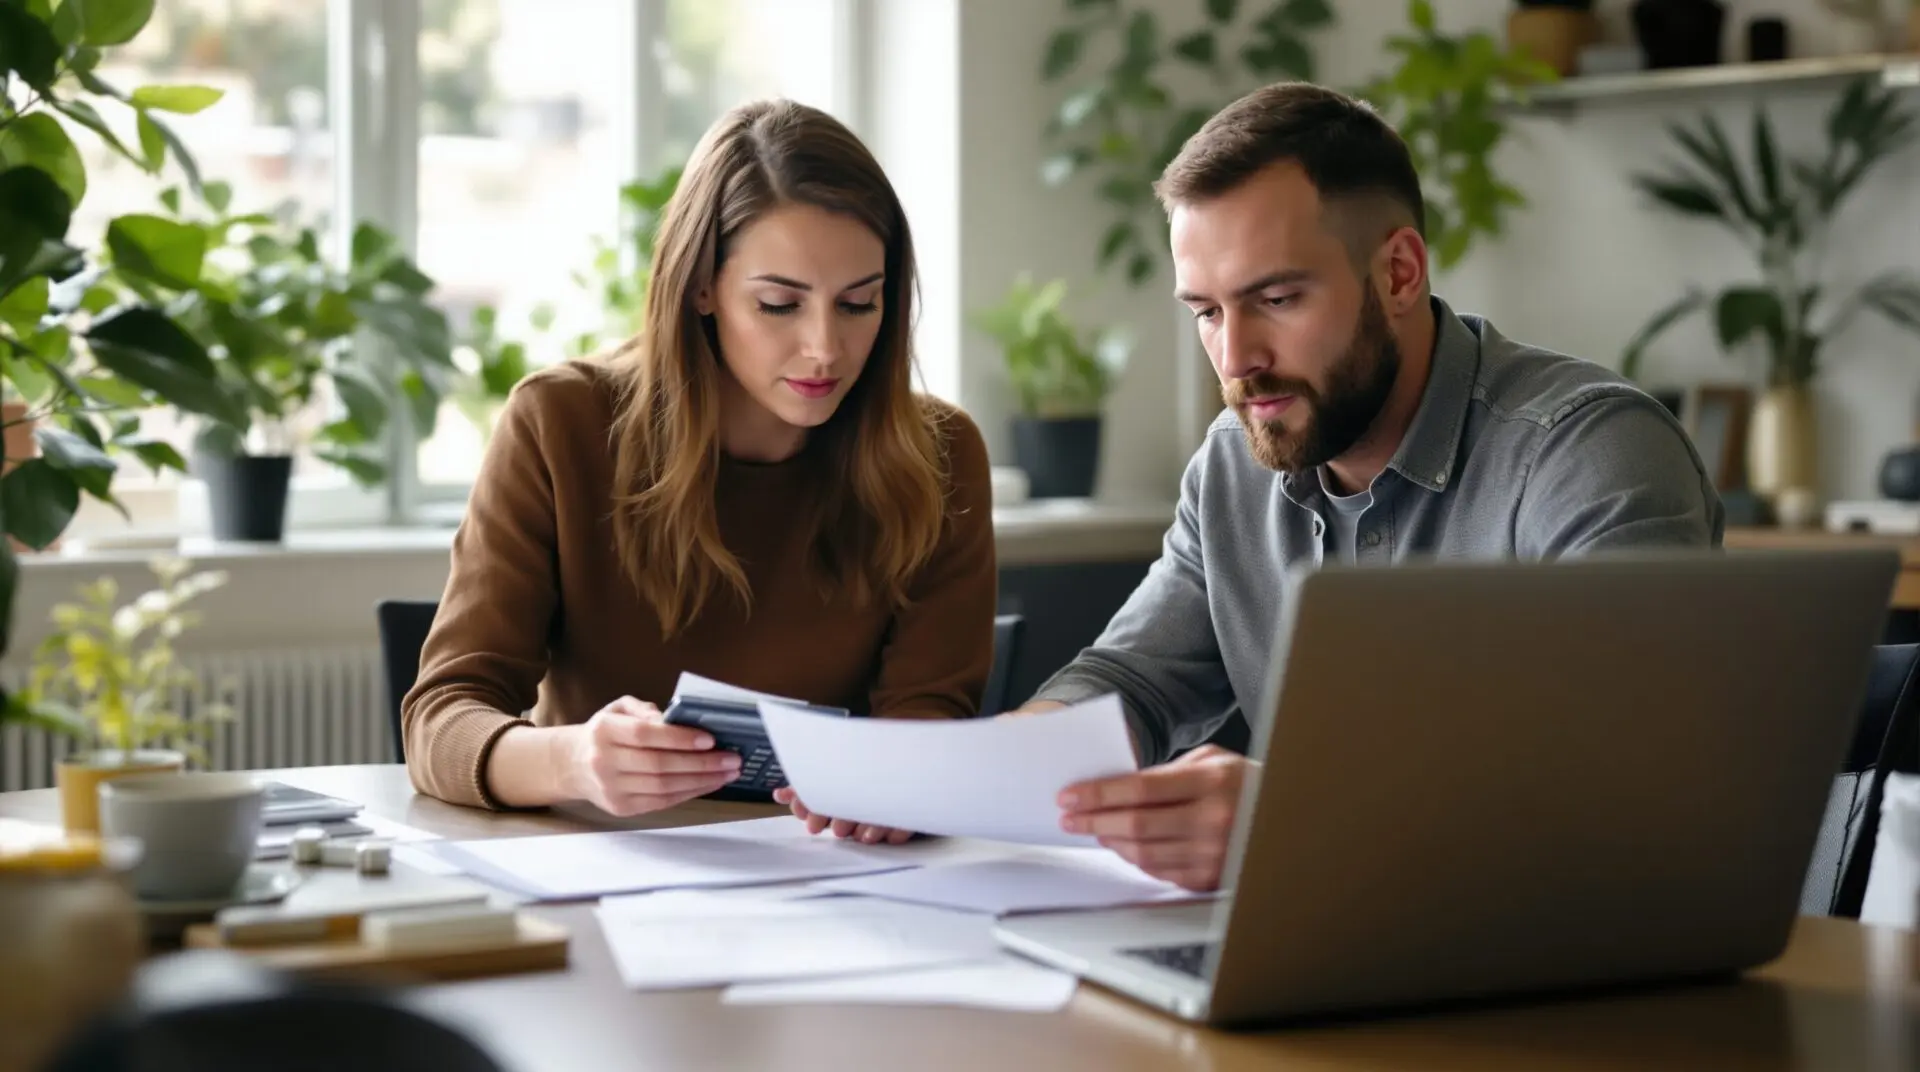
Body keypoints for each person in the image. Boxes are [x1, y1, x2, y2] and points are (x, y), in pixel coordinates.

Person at [1018, 82, 1724, 893]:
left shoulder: (1589, 454)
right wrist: (978, 770)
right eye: (1206, 312)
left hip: (1571, 966)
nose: (1236, 358)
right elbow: (1131, 684)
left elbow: (1627, 773)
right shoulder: (1233, 465)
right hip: (1334, 948)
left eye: (1275, 299)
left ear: (1397, 273)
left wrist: (1290, 819)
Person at [404, 99, 997, 844]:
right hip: (598, 868)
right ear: (701, 287)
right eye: (779, 304)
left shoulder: (940, 454)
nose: (825, 347)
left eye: (859, 303)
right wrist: (572, 760)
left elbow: (930, 712)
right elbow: (443, 716)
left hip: (834, 877)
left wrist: (900, 781)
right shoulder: (561, 424)